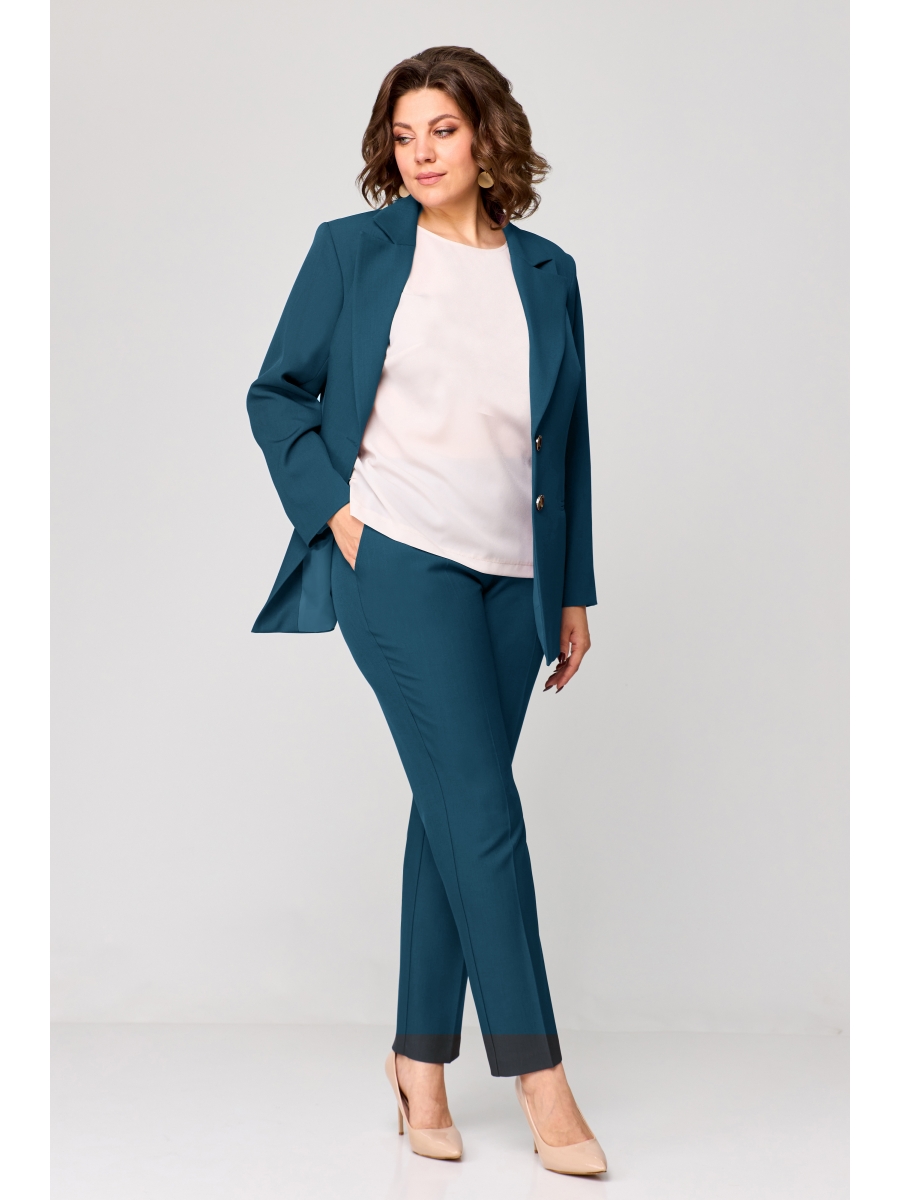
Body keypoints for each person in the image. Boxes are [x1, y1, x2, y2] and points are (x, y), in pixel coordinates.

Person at [247, 45, 606, 1176]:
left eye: (441, 129)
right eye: (403, 136)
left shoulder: (547, 271)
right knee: (484, 811)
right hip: (399, 561)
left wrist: (574, 587)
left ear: (489, 137)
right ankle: (541, 1077)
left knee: (451, 807)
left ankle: (417, 1062)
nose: (420, 153)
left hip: (515, 579)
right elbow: (276, 393)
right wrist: (337, 516)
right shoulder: (351, 252)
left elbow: (567, 439)